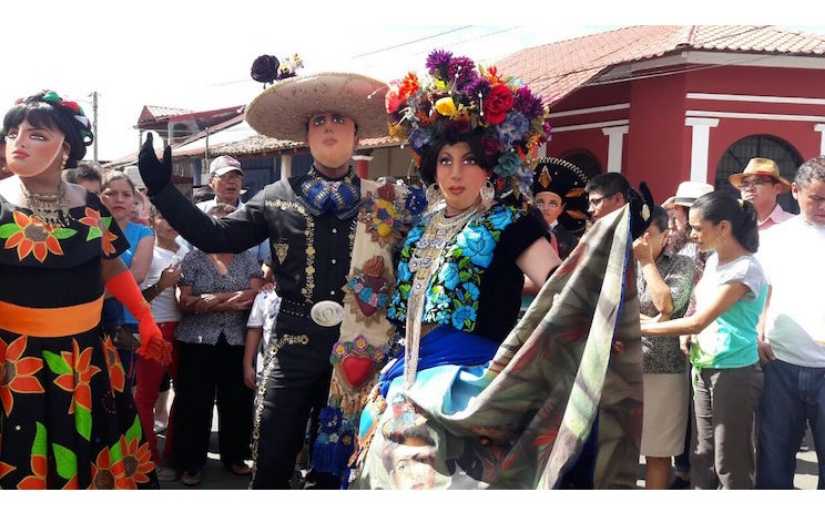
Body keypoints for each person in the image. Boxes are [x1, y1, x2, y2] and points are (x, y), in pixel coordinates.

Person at [351, 51, 650, 489]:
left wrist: (604, 287)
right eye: (445, 160)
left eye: (469, 160)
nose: (456, 173)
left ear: (490, 168)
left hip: (466, 379)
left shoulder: (511, 223)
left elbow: (560, 286)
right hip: (407, 370)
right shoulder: (420, 227)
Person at [137, 71, 414, 489]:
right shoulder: (276, 195)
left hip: (364, 347)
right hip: (292, 344)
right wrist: (161, 191)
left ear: (357, 134)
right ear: (306, 137)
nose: (328, 128)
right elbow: (216, 235)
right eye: (318, 121)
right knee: (272, 451)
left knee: (349, 460)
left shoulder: (391, 201)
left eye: (339, 120)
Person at [0, 90, 169, 489]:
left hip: (86, 356)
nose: (18, 141)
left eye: (36, 134)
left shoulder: (91, 205)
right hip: (14, 360)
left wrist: (145, 317)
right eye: (12, 133)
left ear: (66, 149)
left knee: (94, 459)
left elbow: (111, 267)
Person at [641, 191, 766, 489]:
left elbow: (699, 321)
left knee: (729, 461)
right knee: (702, 456)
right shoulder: (714, 262)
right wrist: (677, 330)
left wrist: (642, 329)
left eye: (698, 228)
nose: (692, 234)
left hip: (733, 372)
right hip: (703, 366)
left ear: (723, 227)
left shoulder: (745, 268)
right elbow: (697, 312)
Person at [171, 202, 263, 486]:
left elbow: (255, 295)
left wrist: (212, 300)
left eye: (227, 224)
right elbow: (183, 301)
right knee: (194, 402)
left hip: (236, 339)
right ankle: (191, 462)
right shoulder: (193, 258)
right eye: (215, 224)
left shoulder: (247, 258)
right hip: (196, 341)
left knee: (236, 400)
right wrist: (224, 301)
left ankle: (234, 456)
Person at [756, 156, 825, 489]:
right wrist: (758, 334)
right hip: (780, 364)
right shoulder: (774, 240)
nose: (824, 206)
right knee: (774, 461)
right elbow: (760, 293)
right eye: (817, 198)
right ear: (795, 192)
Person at [633, 206, 696, 489]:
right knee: (618, 449)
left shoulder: (683, 264)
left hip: (664, 369)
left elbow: (668, 306)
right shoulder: (620, 261)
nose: (641, 242)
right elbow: (611, 310)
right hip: (621, 366)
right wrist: (656, 321)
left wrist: (647, 263)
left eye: (648, 235)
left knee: (658, 453)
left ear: (665, 235)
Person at [661, 180, 713, 488]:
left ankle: (693, 469)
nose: (678, 218)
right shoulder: (674, 242)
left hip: (697, 333)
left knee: (697, 408)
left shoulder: (708, 247)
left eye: (682, 211)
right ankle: (681, 467)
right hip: (671, 333)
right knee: (678, 406)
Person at [134, 207, 186, 480]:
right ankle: (149, 457)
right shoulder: (147, 252)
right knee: (145, 396)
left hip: (184, 330)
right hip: (153, 330)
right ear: (154, 219)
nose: (171, 223)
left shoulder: (186, 250)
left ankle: (172, 455)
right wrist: (164, 285)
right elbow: (133, 298)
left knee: (186, 394)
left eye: (176, 218)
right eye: (166, 216)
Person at [99, 171, 155, 393]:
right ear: (99, 197)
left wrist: (89, 297)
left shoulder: (144, 233)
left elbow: (137, 275)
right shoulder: (90, 229)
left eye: (125, 194)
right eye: (111, 193)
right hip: (88, 320)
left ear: (134, 201)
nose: (118, 199)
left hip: (127, 322)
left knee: (124, 389)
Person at [531, 157, 588, 259]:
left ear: (561, 208)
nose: (545, 208)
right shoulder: (520, 235)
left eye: (553, 204)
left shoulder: (571, 242)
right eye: (540, 203)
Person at [729, 157, 794, 231]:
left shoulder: (794, 225)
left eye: (757, 182)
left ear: (777, 188)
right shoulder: (732, 225)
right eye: (745, 184)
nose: (750, 188)